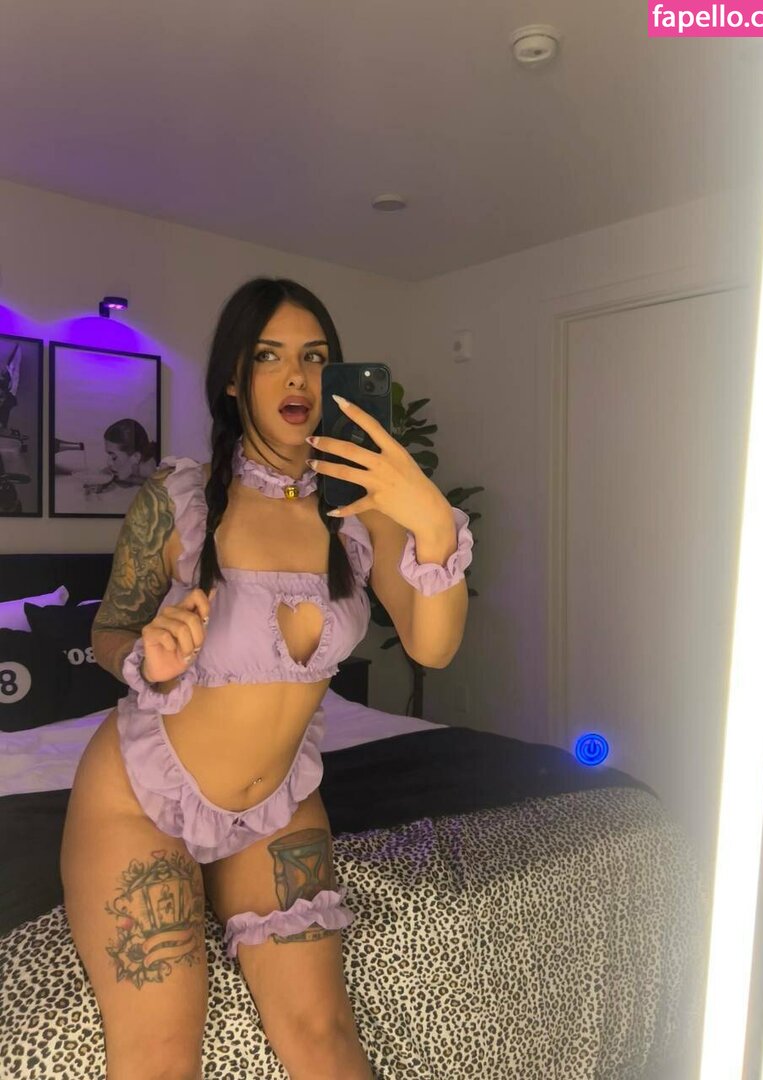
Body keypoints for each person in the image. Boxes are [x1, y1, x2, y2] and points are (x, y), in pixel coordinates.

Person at [60, 277, 474, 1080]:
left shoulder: (361, 514)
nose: (296, 377)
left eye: (315, 358)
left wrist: (427, 514)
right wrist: (149, 655)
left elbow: (434, 648)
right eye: (268, 356)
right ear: (231, 377)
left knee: (325, 1041)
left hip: (277, 803)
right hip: (142, 797)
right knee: (160, 1059)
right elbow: (108, 629)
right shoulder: (177, 498)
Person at [81, 419, 159, 496]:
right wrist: (101, 483)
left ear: (136, 456)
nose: (109, 463)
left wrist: (130, 479)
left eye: (114, 457)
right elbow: (109, 472)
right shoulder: (132, 463)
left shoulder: (153, 470)